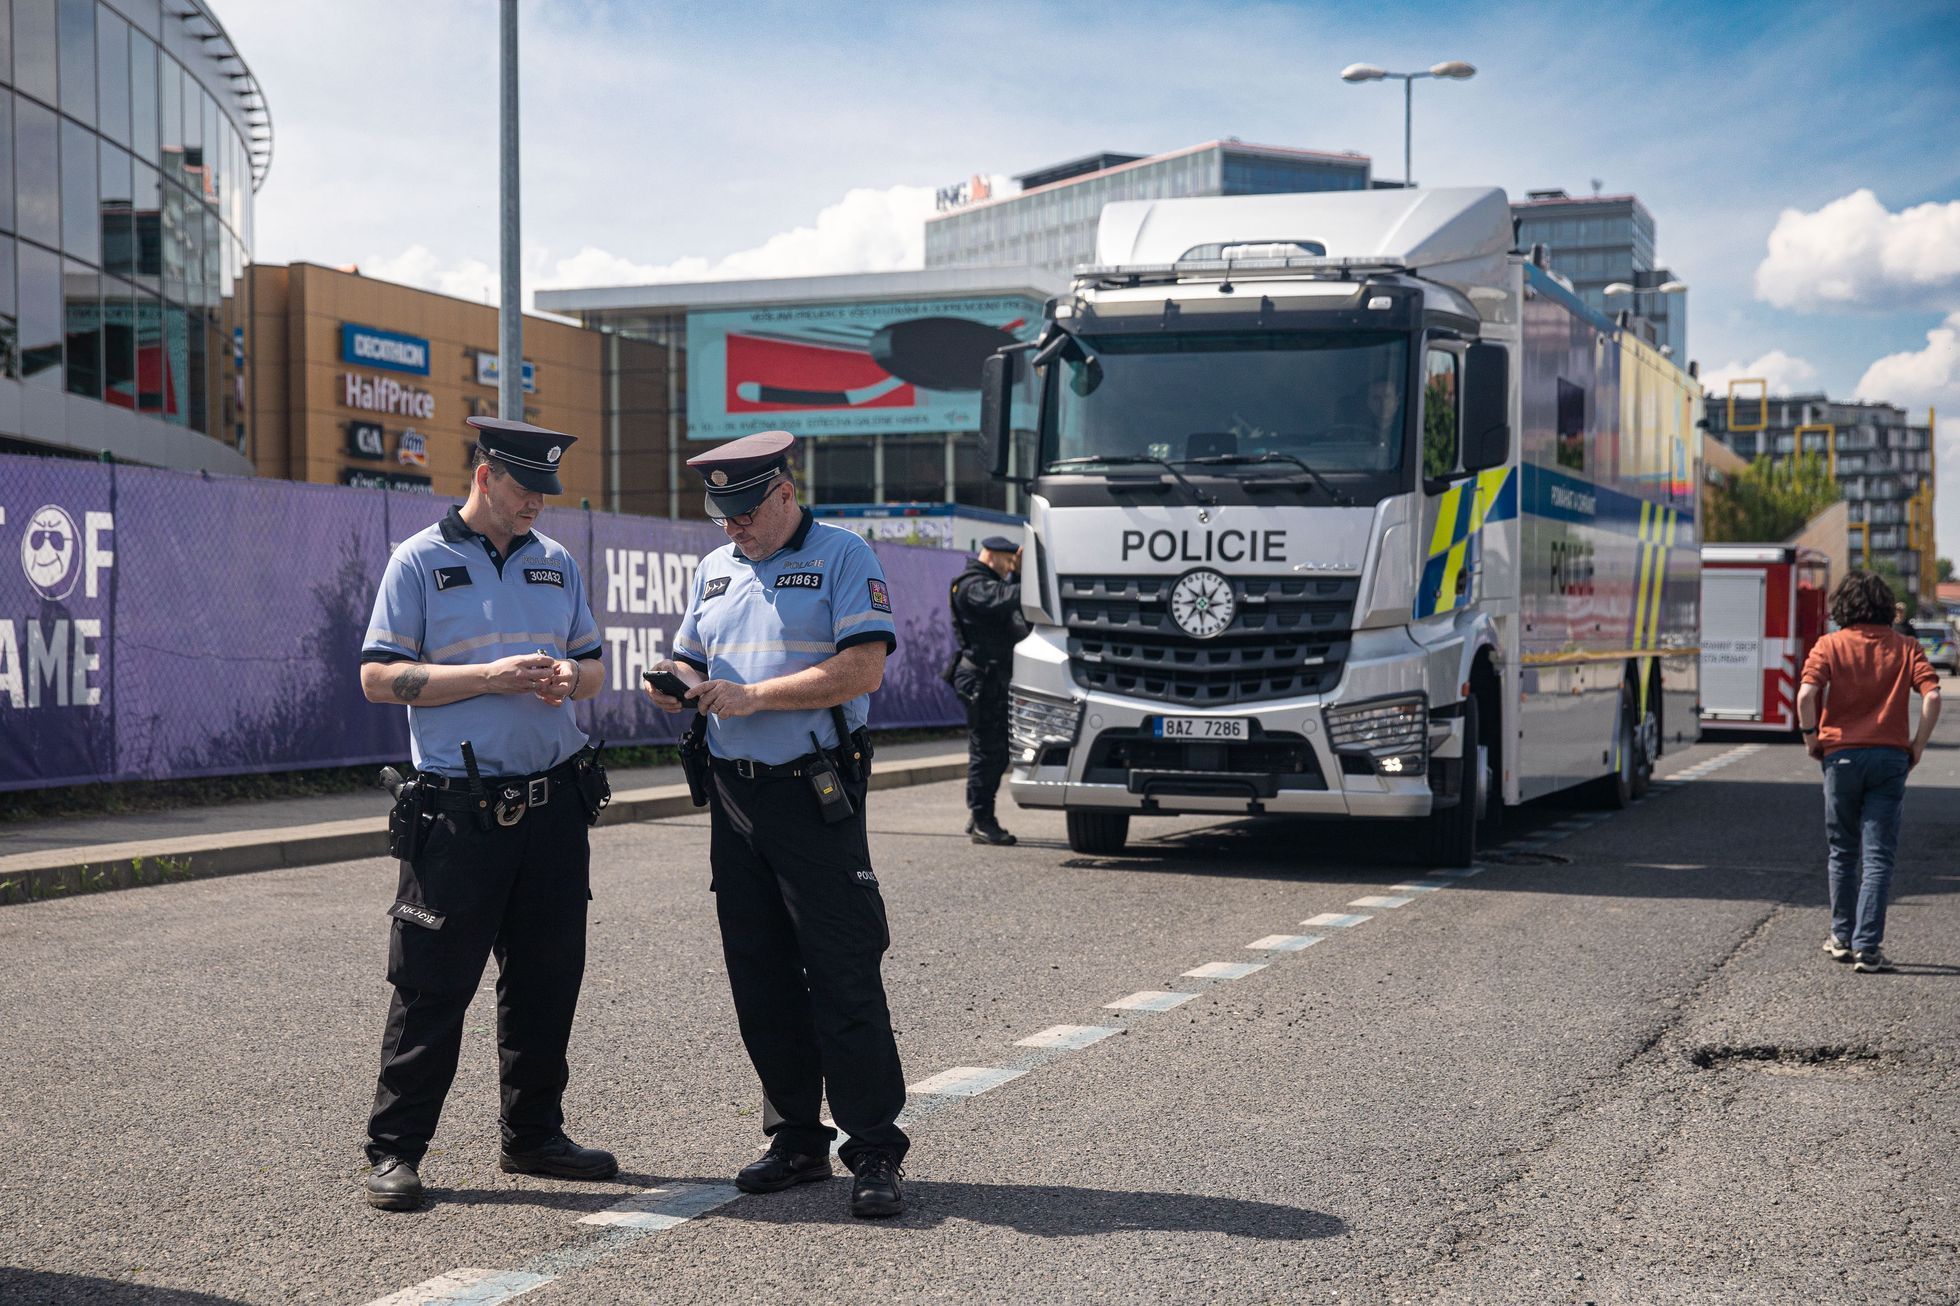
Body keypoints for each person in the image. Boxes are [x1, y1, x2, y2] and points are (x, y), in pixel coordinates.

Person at [642, 429, 909, 1219]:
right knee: (759, 974)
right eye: (722, 514)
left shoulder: (843, 555)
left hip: (813, 792)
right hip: (735, 797)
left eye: (746, 511)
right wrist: (676, 681)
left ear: (785, 492)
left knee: (842, 969)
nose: (734, 528)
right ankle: (796, 1138)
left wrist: (757, 695)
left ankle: (874, 1150)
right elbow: (693, 656)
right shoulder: (714, 569)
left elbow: (864, 667)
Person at [356, 416, 616, 1211]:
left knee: (546, 981)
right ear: (483, 477)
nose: (537, 503)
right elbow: (377, 678)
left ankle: (532, 1136)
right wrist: (487, 676)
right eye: (524, 488)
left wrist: (570, 677)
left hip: (552, 805)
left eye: (545, 491)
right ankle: (396, 1152)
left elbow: (597, 668)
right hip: (457, 814)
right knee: (432, 985)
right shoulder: (420, 560)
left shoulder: (555, 561)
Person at [1797, 570, 1942, 974]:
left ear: (1843, 606)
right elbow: (1932, 697)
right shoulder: (1907, 647)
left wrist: (1811, 737)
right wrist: (1917, 745)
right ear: (1885, 607)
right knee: (1879, 857)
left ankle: (1841, 938)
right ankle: (1868, 948)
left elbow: (1807, 694)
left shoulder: (1829, 645)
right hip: (1890, 758)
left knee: (1842, 851)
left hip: (1840, 755)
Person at [950, 536, 1027, 845]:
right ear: (993, 555)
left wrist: (1020, 573)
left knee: (997, 751)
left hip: (993, 679)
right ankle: (983, 820)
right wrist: (1028, 578)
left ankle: (980, 815)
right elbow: (1003, 597)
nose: (1011, 569)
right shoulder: (971, 584)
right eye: (1009, 562)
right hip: (980, 680)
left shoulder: (986, 581)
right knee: (986, 751)